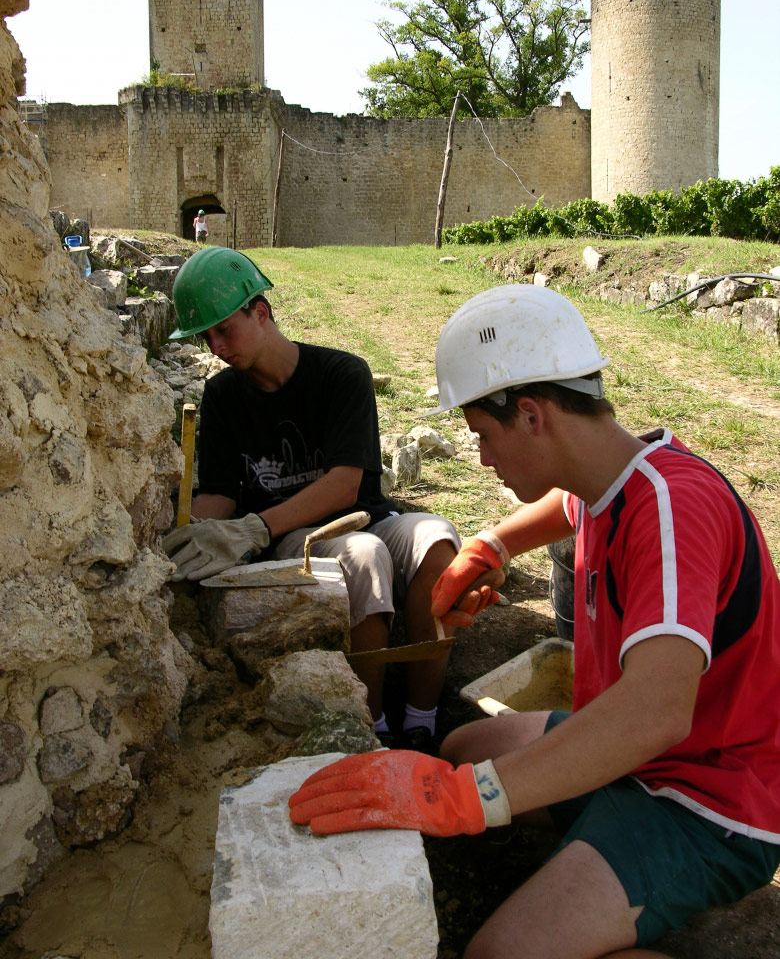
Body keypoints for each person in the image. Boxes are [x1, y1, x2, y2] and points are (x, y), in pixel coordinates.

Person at [289, 285, 780, 959]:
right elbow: (564, 510)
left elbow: (657, 712)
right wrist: (490, 547)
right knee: (460, 751)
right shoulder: (610, 481)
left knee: (497, 953)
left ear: (530, 415)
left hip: (704, 797)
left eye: (483, 437)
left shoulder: (671, 507)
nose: (483, 457)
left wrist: (464, 801)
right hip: (637, 760)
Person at [161, 247, 500, 753]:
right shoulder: (224, 395)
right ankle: (373, 724)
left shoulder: (342, 375)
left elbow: (345, 484)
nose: (215, 346)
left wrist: (251, 527)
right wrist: (193, 531)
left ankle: (423, 720)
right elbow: (218, 493)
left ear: (261, 312)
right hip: (292, 533)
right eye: (204, 336)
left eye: (223, 329)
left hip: (362, 513)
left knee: (435, 539)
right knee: (364, 556)